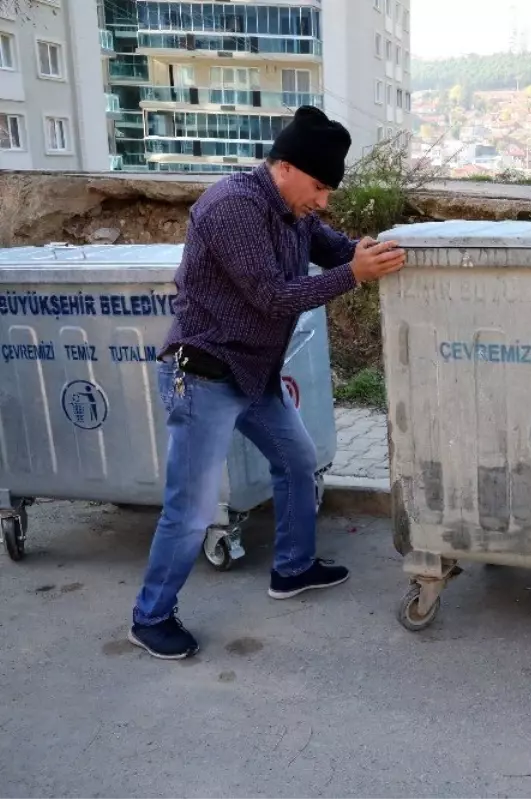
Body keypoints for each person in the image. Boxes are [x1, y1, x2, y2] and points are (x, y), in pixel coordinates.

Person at [128, 106, 408, 660]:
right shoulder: (234, 207)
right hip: (204, 373)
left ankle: (293, 567)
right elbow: (274, 295)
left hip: (251, 373)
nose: (323, 200)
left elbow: (331, 246)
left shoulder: (292, 210)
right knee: (191, 509)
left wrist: (372, 250)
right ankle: (150, 616)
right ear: (284, 166)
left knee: (299, 462)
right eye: (319, 186)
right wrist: (354, 275)